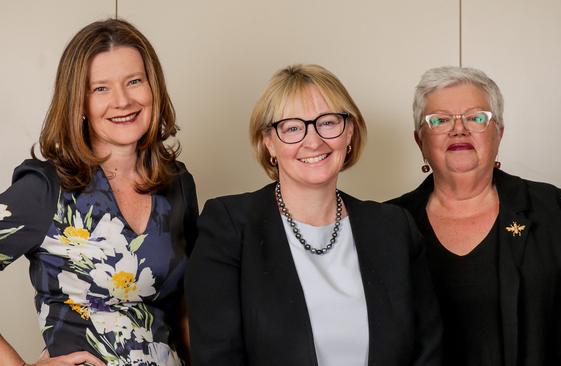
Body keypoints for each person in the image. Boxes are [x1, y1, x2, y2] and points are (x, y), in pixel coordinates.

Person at [0, 19, 197, 366]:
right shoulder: (45, 189)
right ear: (79, 102)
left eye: (134, 81)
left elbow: (183, 309)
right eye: (100, 88)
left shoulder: (177, 184)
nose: (122, 101)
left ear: (154, 88)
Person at [185, 64, 441, 366]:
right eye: (293, 127)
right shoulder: (229, 226)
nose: (314, 141)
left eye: (328, 122)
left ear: (350, 132)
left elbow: (428, 351)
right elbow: (217, 356)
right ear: (269, 142)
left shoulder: (394, 227)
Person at [388, 66, 561, 365]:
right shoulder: (389, 225)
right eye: (440, 120)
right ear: (420, 141)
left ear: (498, 133)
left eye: (476, 117)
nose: (459, 129)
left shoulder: (553, 210)